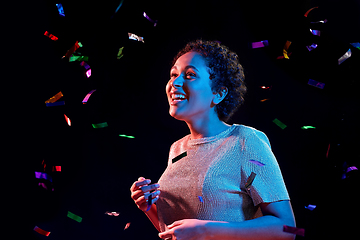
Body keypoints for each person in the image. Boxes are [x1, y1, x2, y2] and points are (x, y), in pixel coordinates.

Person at [130, 40, 296, 240]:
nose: (174, 82)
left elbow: (287, 229)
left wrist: (206, 229)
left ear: (218, 93)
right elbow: (177, 234)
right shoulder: (177, 149)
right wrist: (148, 207)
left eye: (190, 75)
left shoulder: (245, 141)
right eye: (173, 74)